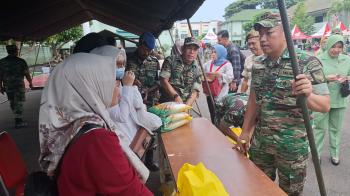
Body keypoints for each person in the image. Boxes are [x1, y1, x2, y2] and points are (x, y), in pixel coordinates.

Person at [237, 12, 330, 195]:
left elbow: (325, 105)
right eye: (260, 34)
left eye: (269, 33)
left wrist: (308, 95)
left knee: (289, 192)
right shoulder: (258, 64)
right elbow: (254, 100)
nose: (263, 39)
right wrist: (246, 131)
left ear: (286, 33)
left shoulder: (306, 62)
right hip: (261, 144)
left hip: (292, 148)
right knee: (258, 188)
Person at [38, 52, 152, 195]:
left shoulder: (72, 126)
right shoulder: (96, 139)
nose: (118, 86)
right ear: (89, 87)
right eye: (111, 80)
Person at [314, 34, 350, 165]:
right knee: (319, 128)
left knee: (336, 129)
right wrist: (326, 78)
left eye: (339, 47)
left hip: (339, 99)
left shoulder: (346, 59)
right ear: (328, 45)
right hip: (321, 99)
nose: (336, 50)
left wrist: (346, 78)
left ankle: (335, 154)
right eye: (334, 46)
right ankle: (316, 154)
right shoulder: (318, 59)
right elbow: (311, 78)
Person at [159, 37, 202, 106]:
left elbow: (195, 90)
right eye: (189, 48)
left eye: (195, 49)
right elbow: (163, 80)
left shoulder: (197, 68)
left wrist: (186, 106)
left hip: (185, 105)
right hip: (167, 104)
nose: (192, 52)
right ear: (183, 49)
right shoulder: (171, 60)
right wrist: (176, 96)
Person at [0, 45, 33, 128]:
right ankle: (18, 121)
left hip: (8, 86)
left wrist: (0, 86)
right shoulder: (21, 61)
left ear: (8, 51)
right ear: (16, 51)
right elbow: (26, 74)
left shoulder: (2, 62)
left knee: (12, 102)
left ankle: (18, 118)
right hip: (18, 86)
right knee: (18, 102)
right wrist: (30, 83)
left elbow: (0, 76)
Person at [126, 32, 160, 108]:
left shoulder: (155, 62)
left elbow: (159, 82)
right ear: (139, 45)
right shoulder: (128, 59)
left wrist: (148, 91)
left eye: (150, 50)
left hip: (151, 102)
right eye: (144, 49)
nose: (147, 53)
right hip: (132, 102)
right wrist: (131, 81)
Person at [203, 44, 233, 123]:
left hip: (221, 94)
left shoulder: (227, 65)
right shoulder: (209, 63)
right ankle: (214, 129)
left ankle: (221, 131)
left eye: (215, 52)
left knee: (221, 115)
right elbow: (200, 70)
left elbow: (230, 77)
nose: (213, 54)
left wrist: (219, 75)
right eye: (212, 52)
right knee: (212, 113)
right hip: (210, 93)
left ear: (221, 53)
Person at [240, 30, 263, 94]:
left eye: (253, 43)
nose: (250, 46)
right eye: (249, 44)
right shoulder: (248, 59)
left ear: (261, 42)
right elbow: (245, 81)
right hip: (249, 97)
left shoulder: (270, 58)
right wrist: (241, 96)